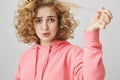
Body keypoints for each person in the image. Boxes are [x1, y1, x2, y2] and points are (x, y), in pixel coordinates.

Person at [14, 0, 112, 80]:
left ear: (59, 22)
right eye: (38, 20)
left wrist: (92, 32)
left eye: (51, 20)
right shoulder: (25, 57)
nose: (44, 27)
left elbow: (93, 78)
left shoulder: (72, 53)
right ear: (31, 23)